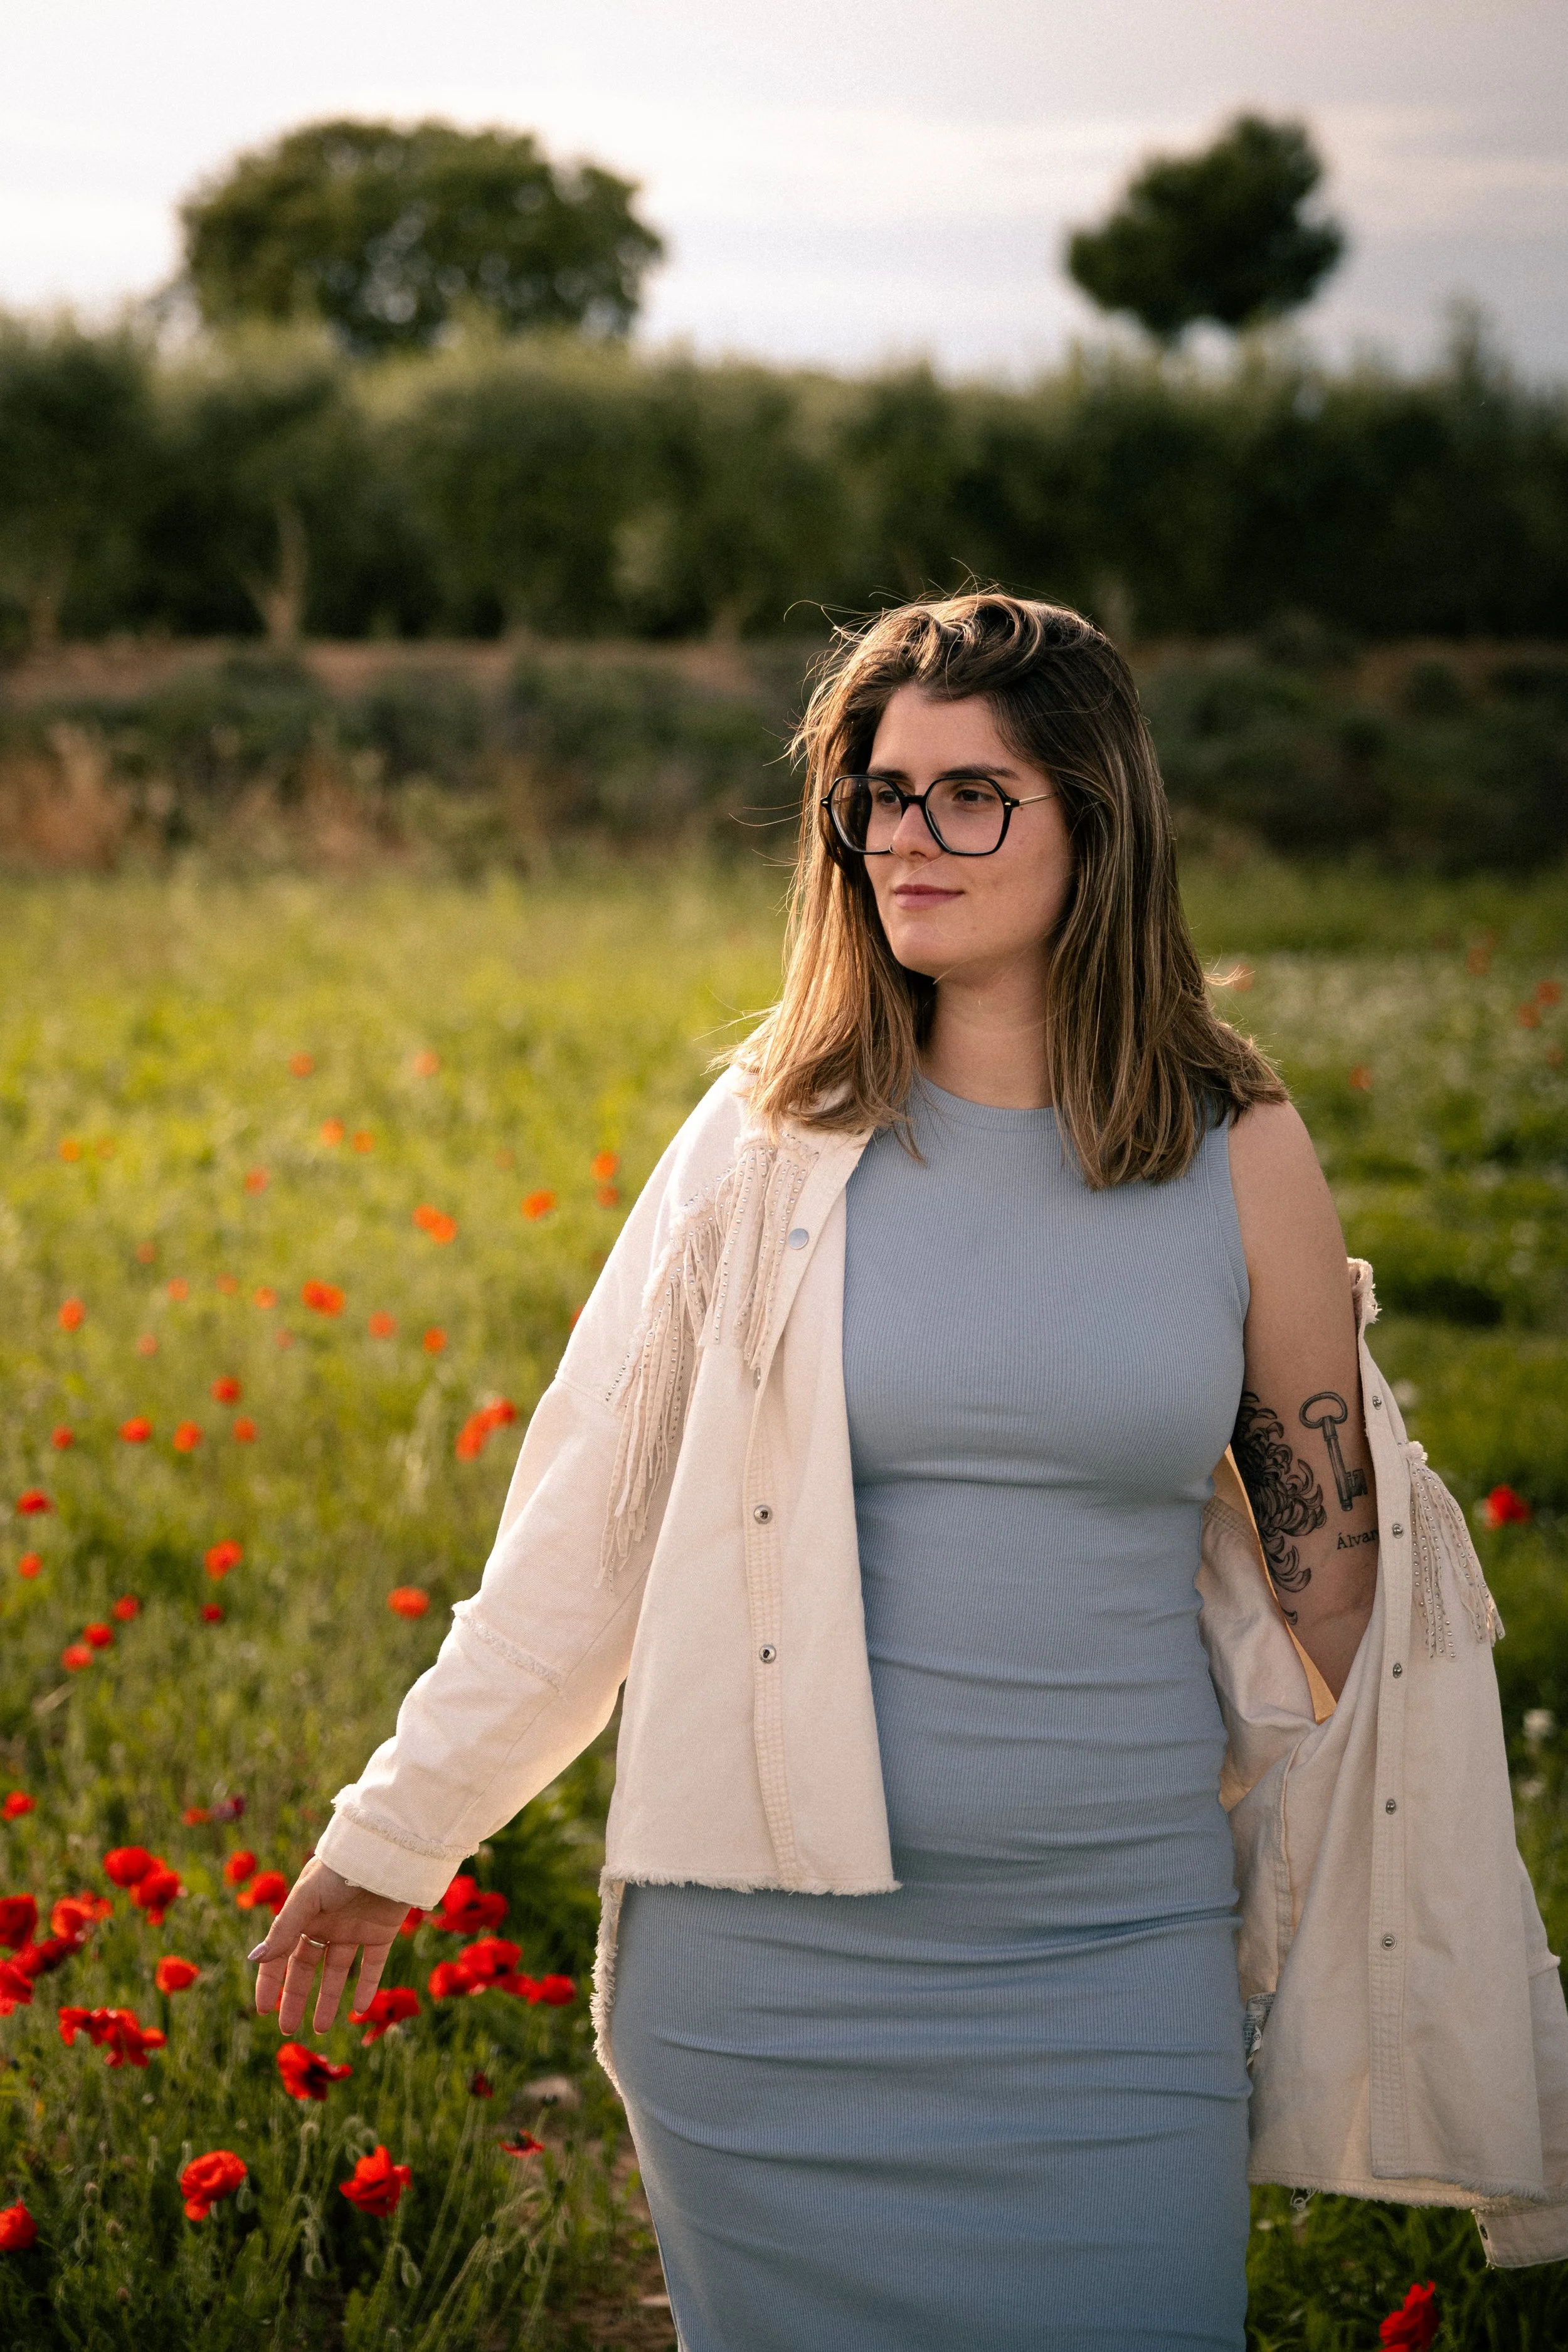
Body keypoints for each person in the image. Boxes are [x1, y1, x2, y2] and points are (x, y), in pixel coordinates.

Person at [252, 595, 1567, 2348]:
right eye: (878, 794)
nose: (906, 837)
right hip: (770, 1997)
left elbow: (1333, 1596)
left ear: (1094, 819)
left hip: (1109, 1976)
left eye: (970, 794)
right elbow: (589, 1531)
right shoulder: (768, 1142)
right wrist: (396, 1833)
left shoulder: (1234, 1148)